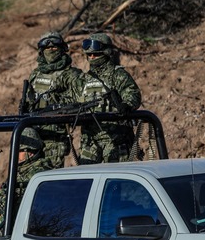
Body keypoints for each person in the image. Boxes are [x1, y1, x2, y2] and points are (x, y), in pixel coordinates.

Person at [77, 32, 142, 164]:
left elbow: (132, 93)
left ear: (106, 52)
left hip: (115, 138)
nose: (92, 57)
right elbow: (72, 100)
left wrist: (126, 105)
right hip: (90, 140)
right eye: (89, 55)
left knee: (117, 179)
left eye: (95, 54)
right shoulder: (83, 79)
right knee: (86, 178)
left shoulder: (117, 74)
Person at [22, 31, 82, 168]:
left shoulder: (71, 74)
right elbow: (28, 101)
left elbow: (78, 102)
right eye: (47, 48)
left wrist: (56, 100)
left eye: (54, 47)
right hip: (35, 133)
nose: (51, 50)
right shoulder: (35, 74)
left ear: (62, 49)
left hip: (56, 134)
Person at [0, 127, 53, 236]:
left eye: (20, 150)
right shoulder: (22, 171)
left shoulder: (37, 173)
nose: (16, 154)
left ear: (30, 152)